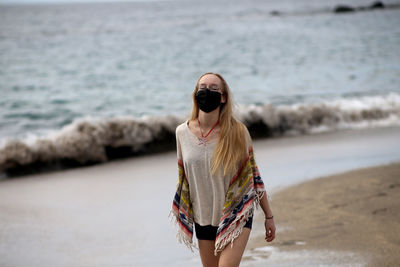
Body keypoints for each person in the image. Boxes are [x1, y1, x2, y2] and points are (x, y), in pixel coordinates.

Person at [170, 72, 275, 267]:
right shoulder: (181, 133)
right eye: (202, 88)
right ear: (195, 94)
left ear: (223, 97)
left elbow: (253, 177)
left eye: (214, 89)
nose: (207, 92)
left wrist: (269, 216)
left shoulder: (237, 132)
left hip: (236, 214)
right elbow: (184, 180)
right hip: (203, 217)